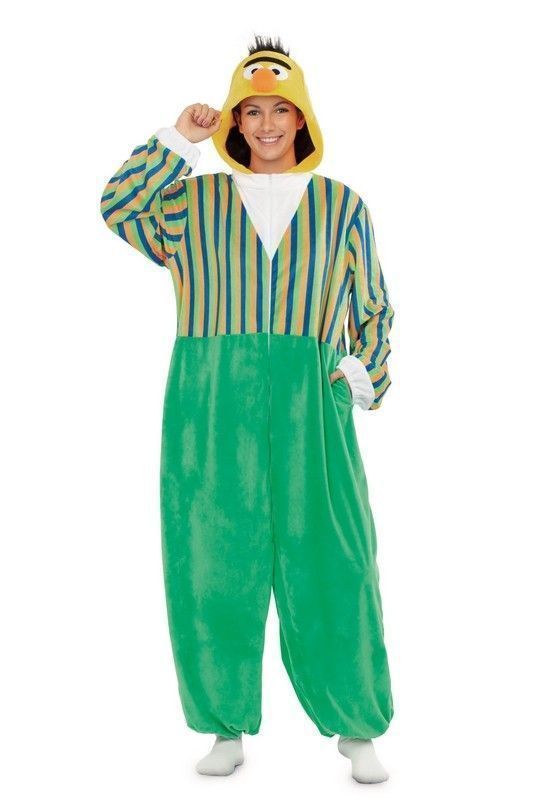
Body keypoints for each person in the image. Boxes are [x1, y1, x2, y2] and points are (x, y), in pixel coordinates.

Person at [100, 34, 395, 784]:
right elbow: (117, 205)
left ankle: (357, 723)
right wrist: (179, 140)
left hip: (310, 399)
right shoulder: (190, 202)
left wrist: (356, 375)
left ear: (302, 119)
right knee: (210, 556)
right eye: (252, 110)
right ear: (235, 119)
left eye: (280, 110)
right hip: (210, 396)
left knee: (334, 557)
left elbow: (371, 305)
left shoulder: (341, 205)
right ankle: (223, 723)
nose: (266, 124)